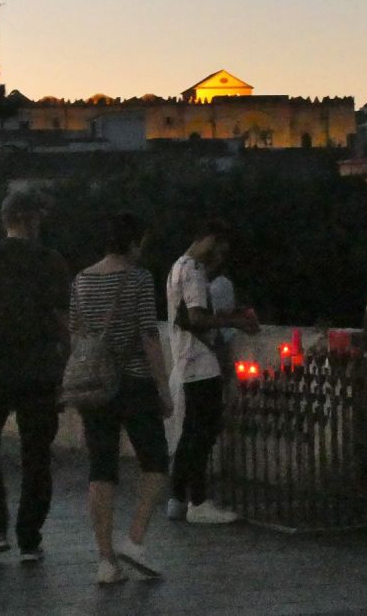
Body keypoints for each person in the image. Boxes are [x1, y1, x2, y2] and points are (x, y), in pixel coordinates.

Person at [0, 187, 70, 562]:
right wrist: (62, 367)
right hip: (39, 370)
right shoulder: (51, 260)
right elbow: (62, 323)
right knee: (37, 456)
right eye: (38, 217)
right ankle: (29, 537)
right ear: (27, 219)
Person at [72, 212, 173, 585]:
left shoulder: (81, 279)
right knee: (157, 462)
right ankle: (134, 540)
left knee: (101, 468)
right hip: (133, 382)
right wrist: (163, 388)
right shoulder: (138, 278)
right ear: (133, 242)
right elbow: (149, 335)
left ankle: (105, 561)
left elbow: (76, 332)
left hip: (94, 386)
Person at [165, 220, 258, 525]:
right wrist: (234, 322)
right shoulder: (193, 271)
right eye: (219, 248)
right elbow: (195, 317)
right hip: (200, 362)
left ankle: (178, 497)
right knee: (202, 433)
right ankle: (198, 501)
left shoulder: (177, 267)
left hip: (185, 359)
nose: (219, 257)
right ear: (209, 240)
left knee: (190, 432)